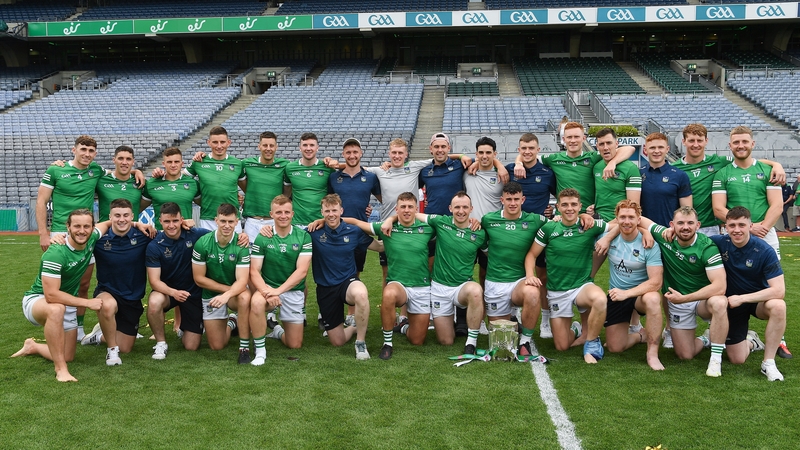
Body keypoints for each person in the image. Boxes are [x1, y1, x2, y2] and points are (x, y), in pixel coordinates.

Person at [12, 209, 139, 381]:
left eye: (86, 226)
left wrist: (138, 224)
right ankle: (61, 370)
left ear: (92, 228)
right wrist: (87, 303)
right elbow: (51, 295)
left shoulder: (92, 237)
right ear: (68, 227)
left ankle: (32, 346)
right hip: (38, 300)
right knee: (56, 309)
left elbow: (110, 223)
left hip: (67, 303)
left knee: (68, 354)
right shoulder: (56, 252)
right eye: (77, 226)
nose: (82, 230)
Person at [37, 135, 143, 341]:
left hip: (86, 231)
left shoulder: (96, 171)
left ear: (95, 154)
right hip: (61, 232)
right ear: (73, 149)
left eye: (91, 151)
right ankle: (54, 320)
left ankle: (78, 329)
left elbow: (120, 173)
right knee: (60, 284)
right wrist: (44, 233)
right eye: (83, 149)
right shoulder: (55, 170)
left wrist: (137, 171)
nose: (86, 154)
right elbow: (41, 201)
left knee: (84, 284)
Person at [345, 192, 433, 360]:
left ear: (416, 209)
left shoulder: (428, 228)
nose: (406, 210)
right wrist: (323, 221)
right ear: (396, 209)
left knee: (417, 340)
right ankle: (387, 343)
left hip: (421, 286)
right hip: (398, 284)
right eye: (403, 207)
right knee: (389, 293)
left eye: (410, 207)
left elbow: (452, 224)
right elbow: (356, 222)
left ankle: (403, 327)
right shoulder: (386, 228)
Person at [525, 188, 609, 364]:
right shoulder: (549, 228)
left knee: (600, 299)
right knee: (562, 346)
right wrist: (529, 275)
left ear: (580, 206)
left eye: (573, 204)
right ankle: (577, 329)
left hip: (581, 286)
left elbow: (620, 225)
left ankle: (591, 342)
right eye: (565, 205)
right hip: (557, 291)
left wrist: (608, 238)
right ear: (558, 207)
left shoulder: (590, 225)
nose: (569, 208)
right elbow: (532, 255)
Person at [645, 206, 729, 377]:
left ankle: (715, 359)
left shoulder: (707, 247)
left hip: (701, 300)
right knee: (685, 355)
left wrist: (685, 298)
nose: (685, 227)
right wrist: (646, 232)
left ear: (698, 225)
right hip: (679, 302)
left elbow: (720, 286)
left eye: (690, 223)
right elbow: (640, 220)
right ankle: (707, 338)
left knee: (720, 302)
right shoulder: (665, 236)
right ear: (671, 224)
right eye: (680, 223)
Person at [709, 207, 787, 381]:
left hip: (757, 301)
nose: (737, 230)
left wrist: (743, 298)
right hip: (730, 304)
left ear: (751, 226)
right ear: (725, 227)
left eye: (742, 225)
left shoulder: (765, 250)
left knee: (778, 306)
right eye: (732, 225)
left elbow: (779, 290)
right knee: (737, 359)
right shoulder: (718, 242)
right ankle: (752, 341)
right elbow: (690, 238)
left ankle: (769, 362)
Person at [673, 123, 785, 237]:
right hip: (685, 226)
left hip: (711, 226)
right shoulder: (674, 168)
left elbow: (746, 160)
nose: (696, 144)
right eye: (691, 140)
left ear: (706, 141)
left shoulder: (719, 162)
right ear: (684, 141)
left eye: (699, 140)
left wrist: (776, 164)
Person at [78, 199, 154, 366]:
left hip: (132, 298)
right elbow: (78, 237)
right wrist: (60, 239)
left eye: (126, 215)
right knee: (107, 305)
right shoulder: (98, 238)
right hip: (107, 291)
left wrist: (186, 223)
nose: (122, 219)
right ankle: (112, 352)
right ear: (109, 217)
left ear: (133, 216)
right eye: (117, 215)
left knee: (126, 347)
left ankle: (98, 336)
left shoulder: (144, 235)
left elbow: (171, 234)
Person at [307, 194, 382, 359]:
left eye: (334, 210)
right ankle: (355, 328)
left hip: (347, 282)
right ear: (322, 212)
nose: (331, 214)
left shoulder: (354, 231)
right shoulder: (313, 232)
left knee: (361, 294)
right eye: (327, 211)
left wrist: (405, 238)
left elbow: (379, 247)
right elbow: (290, 236)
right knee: (337, 341)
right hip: (325, 287)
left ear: (341, 210)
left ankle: (361, 343)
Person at [593, 200, 664, 370]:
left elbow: (656, 282)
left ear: (639, 219)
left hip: (639, 295)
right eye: (622, 217)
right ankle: (641, 336)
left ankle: (652, 354)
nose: (626, 221)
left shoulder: (649, 243)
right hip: (617, 294)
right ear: (616, 219)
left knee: (654, 298)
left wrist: (628, 293)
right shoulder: (607, 239)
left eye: (631, 217)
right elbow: (583, 227)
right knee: (614, 347)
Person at [482, 182, 548, 358]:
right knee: (501, 340)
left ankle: (525, 341)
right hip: (495, 282)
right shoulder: (488, 219)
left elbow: (560, 222)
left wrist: (584, 216)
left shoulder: (535, 220)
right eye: (509, 199)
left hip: (519, 281)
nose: (512, 203)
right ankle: (513, 320)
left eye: (516, 199)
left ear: (523, 200)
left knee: (533, 292)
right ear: (501, 200)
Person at [249, 196, 312, 365]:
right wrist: (267, 292)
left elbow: (302, 271)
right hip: (268, 289)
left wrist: (278, 291)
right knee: (256, 302)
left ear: (292, 214)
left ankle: (277, 331)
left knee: (295, 344)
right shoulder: (263, 236)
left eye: (286, 212)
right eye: (278, 212)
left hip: (291, 291)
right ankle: (260, 351)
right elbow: (254, 270)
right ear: (271, 214)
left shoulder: (303, 237)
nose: (283, 216)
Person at [145, 202, 211, 360]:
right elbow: (154, 282)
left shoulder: (195, 234)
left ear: (182, 220)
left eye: (175, 221)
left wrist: (242, 235)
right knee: (154, 303)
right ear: (160, 221)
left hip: (192, 293)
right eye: (167, 221)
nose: (171, 225)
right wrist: (174, 293)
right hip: (169, 293)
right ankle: (161, 343)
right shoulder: (154, 245)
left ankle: (186, 327)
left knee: (191, 346)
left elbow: (220, 236)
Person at [328, 137, 382, 327]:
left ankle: (351, 314)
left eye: (355, 152)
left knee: (355, 273)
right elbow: (328, 203)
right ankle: (334, 315)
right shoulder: (334, 177)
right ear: (344, 154)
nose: (352, 155)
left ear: (361, 153)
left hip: (359, 234)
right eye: (348, 152)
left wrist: (369, 210)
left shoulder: (371, 177)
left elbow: (385, 199)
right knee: (335, 273)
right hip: (336, 233)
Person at [507, 133, 556, 339]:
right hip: (513, 232)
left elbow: (558, 196)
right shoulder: (509, 169)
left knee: (542, 276)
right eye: (523, 148)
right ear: (519, 149)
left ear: (538, 150)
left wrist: (552, 212)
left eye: (531, 148)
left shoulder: (547, 173)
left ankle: (545, 320)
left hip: (539, 232)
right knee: (511, 272)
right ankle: (511, 313)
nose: (527, 152)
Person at [191, 203, 252, 363]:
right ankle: (232, 322)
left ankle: (244, 348)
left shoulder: (241, 244)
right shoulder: (203, 243)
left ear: (237, 222)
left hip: (234, 293)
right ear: (216, 220)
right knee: (217, 346)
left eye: (230, 222)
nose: (227, 225)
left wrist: (227, 295)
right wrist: (225, 292)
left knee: (245, 297)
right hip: (212, 294)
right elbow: (199, 279)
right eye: (223, 221)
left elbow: (242, 280)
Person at [185, 126, 246, 231]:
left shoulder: (237, 163)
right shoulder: (199, 161)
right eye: (215, 142)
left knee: (234, 247)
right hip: (208, 218)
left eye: (222, 142)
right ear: (209, 142)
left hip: (232, 219)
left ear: (228, 142)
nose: (219, 146)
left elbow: (247, 188)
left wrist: (240, 197)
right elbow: (181, 178)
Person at [241, 131, 291, 243]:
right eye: (265, 145)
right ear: (259, 146)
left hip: (275, 221)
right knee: (251, 258)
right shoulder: (247, 164)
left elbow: (288, 190)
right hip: (253, 221)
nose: (268, 148)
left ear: (276, 147)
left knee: (274, 258)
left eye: (271, 145)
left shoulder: (285, 165)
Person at [639, 132, 692, 227]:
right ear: (645, 150)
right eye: (652, 148)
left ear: (667, 149)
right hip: (644, 232)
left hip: (669, 232)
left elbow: (686, 211)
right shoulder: (638, 174)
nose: (656, 151)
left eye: (660, 147)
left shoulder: (680, 175)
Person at [141, 147, 200, 230]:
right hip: (162, 235)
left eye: (176, 162)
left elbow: (205, 205)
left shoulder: (193, 183)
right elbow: (138, 208)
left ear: (182, 163)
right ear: (163, 164)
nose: (173, 165)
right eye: (169, 162)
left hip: (186, 234)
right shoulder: (152, 183)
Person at [285, 132, 335, 226]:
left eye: (312, 145)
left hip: (320, 222)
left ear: (317, 148)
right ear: (300, 148)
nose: (308, 148)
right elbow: (286, 193)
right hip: (297, 223)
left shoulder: (327, 168)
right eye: (305, 145)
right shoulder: (289, 168)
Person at [592, 128, 641, 222]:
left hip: (620, 223)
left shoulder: (631, 168)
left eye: (609, 143)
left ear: (616, 144)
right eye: (601, 144)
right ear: (597, 146)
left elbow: (634, 208)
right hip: (597, 221)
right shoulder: (596, 167)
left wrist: (609, 226)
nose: (605, 147)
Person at [96, 146, 145, 222]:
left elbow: (141, 206)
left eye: (128, 159)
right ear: (114, 160)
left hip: (132, 232)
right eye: (120, 158)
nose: (124, 162)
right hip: (106, 232)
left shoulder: (140, 181)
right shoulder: (100, 180)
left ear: (133, 161)